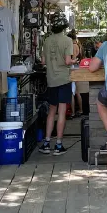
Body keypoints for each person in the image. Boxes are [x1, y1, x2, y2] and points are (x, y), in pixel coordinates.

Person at [39, 13, 73, 155]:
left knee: (51, 111)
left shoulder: (46, 40)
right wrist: (73, 61)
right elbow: (67, 61)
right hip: (64, 79)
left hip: (51, 79)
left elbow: (43, 62)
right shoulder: (68, 40)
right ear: (64, 26)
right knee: (62, 112)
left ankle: (46, 143)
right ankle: (58, 145)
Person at [67, 30, 83, 117]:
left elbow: (70, 59)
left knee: (71, 92)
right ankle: (80, 110)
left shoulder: (71, 46)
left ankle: (72, 113)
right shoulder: (77, 45)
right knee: (77, 91)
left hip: (72, 68)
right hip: (77, 68)